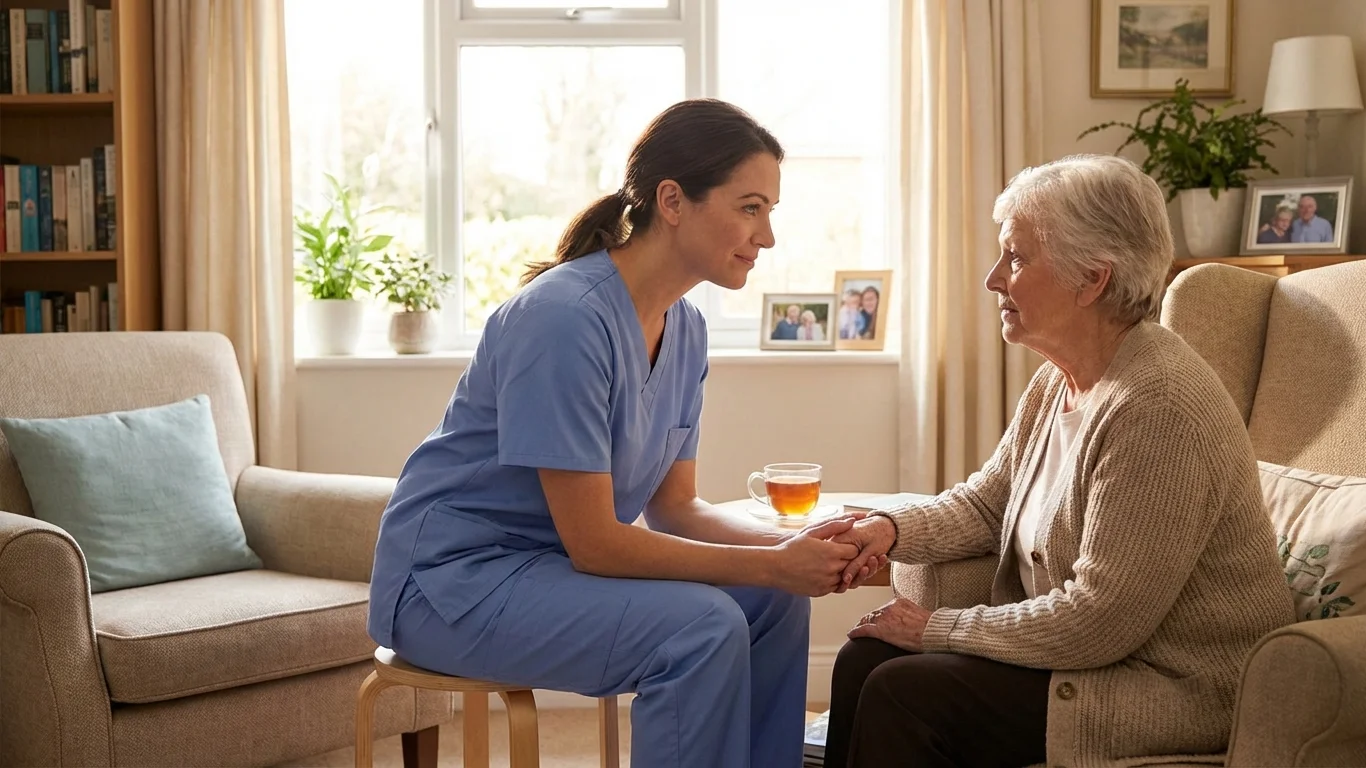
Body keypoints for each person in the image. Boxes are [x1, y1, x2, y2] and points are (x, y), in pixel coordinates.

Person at [365, 98, 882, 768]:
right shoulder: (562, 320)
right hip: (451, 583)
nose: (767, 236)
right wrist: (771, 562)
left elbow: (676, 508)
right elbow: (596, 544)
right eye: (751, 208)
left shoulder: (686, 329)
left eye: (770, 212)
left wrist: (797, 547)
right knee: (703, 627)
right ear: (673, 201)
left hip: (551, 570)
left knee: (774, 603)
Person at [822, 154, 1297, 768]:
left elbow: (1099, 619)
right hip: (1097, 658)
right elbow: (988, 503)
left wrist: (935, 627)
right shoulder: (1059, 381)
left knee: (904, 692)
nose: (994, 278)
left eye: (1016, 258)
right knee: (863, 658)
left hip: (1169, 684)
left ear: (1092, 279)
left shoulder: (1159, 407)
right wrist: (886, 530)